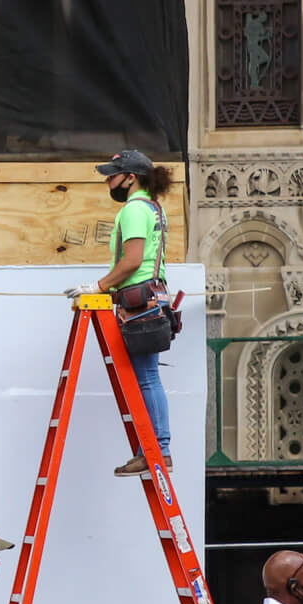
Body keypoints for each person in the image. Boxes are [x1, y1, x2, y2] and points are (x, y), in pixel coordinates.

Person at [93, 148, 176, 477]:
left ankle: (158, 450)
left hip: (139, 304)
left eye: (112, 174)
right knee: (148, 377)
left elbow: (132, 261)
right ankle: (153, 449)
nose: (108, 181)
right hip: (153, 300)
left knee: (147, 378)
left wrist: (97, 287)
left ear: (131, 178)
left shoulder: (132, 211)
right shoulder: (154, 208)